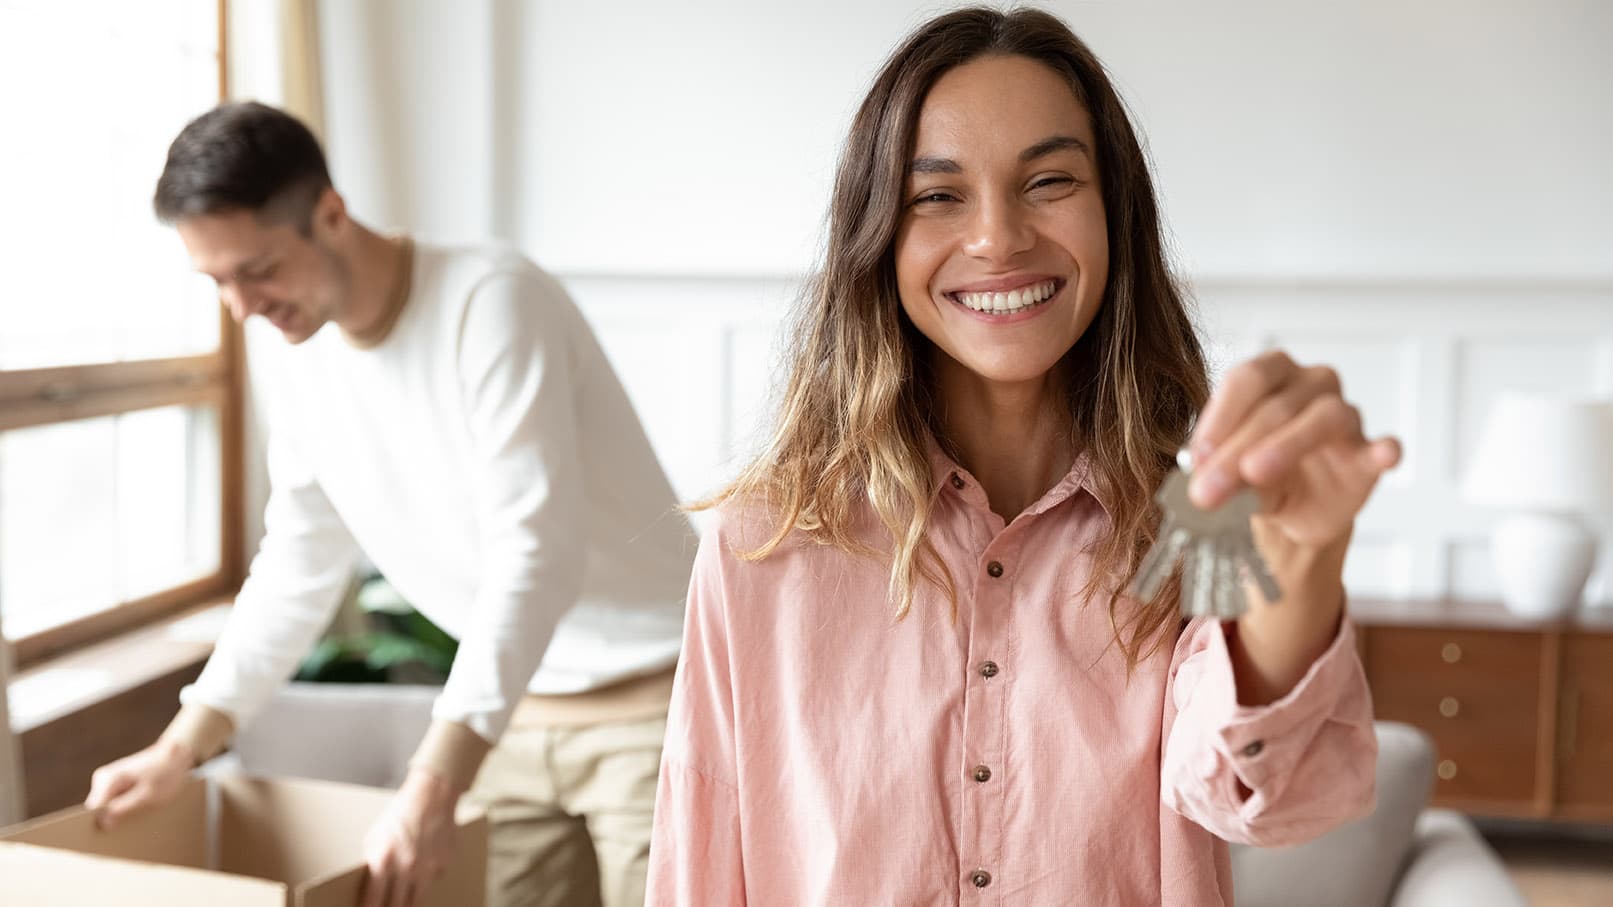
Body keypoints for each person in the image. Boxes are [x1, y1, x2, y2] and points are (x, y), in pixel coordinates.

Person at [646, 8, 1401, 905]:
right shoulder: (759, 544)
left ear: (1113, 214)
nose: (998, 237)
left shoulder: (1194, 514)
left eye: (1048, 180)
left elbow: (1270, 797)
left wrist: (1301, 557)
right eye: (937, 195)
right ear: (877, 236)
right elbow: (700, 860)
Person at [85, 101, 695, 907]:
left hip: (656, 706)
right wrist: (182, 744)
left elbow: (534, 554)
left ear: (330, 214)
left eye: (258, 269)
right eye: (218, 282)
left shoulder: (491, 301)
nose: (242, 306)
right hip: (510, 715)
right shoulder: (299, 353)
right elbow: (299, 563)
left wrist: (433, 784)